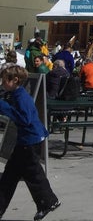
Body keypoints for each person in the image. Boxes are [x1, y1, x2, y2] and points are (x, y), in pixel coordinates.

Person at [0, 64, 61, 220]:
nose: (2, 83)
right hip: (26, 140)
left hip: (30, 140)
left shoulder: (21, 97)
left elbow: (25, 119)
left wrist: (4, 107)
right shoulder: (16, 94)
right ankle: (48, 202)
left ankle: (48, 202)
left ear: (15, 80)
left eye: (4, 80)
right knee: (11, 176)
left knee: (33, 175)